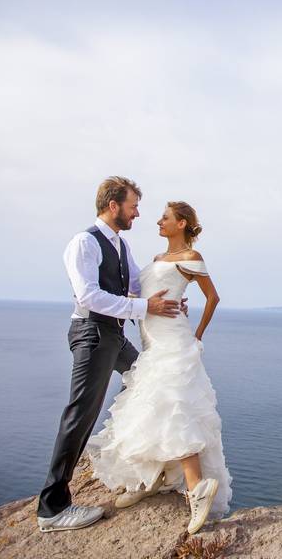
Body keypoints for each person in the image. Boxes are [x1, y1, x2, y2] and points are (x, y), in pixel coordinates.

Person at [37, 176, 183, 532]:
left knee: (147, 380)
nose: (137, 214)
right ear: (113, 205)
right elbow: (88, 296)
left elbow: (137, 285)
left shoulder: (120, 245)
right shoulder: (84, 243)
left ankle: (127, 455)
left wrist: (169, 298)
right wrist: (145, 307)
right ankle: (52, 509)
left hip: (113, 335)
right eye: (133, 206)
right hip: (93, 334)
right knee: (80, 414)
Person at [85, 200, 232, 535]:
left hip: (175, 342)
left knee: (172, 407)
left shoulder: (191, 259)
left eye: (165, 218)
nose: (158, 222)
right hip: (152, 343)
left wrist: (196, 335)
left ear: (181, 223)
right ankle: (149, 477)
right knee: (148, 408)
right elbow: (141, 294)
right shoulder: (156, 260)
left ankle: (197, 489)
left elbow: (213, 298)